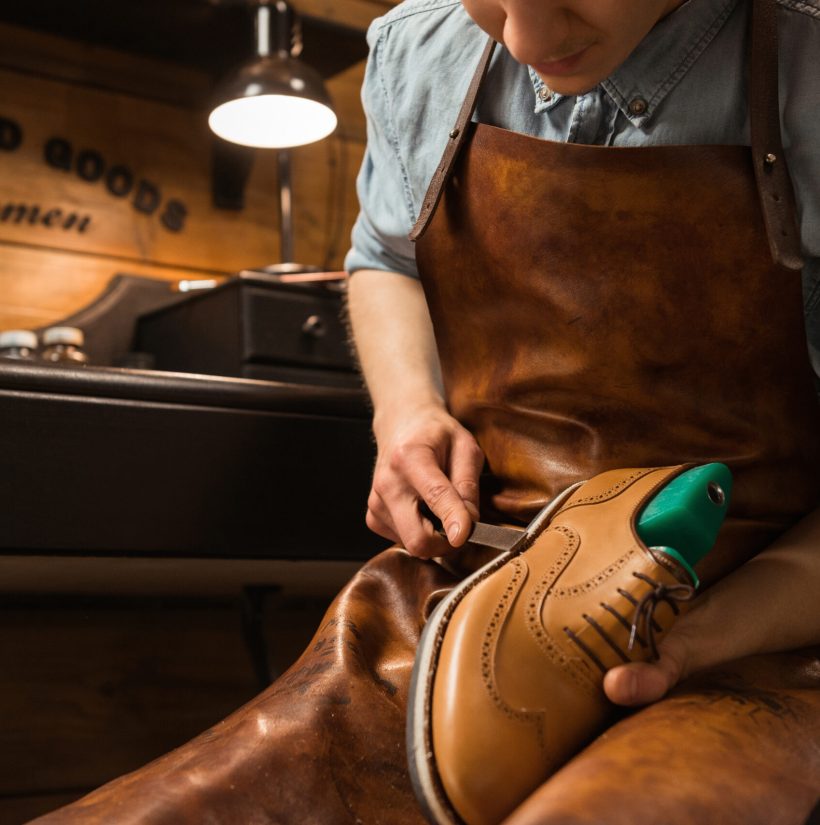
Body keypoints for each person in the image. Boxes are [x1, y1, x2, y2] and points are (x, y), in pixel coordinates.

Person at [33, 1, 820, 823]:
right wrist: (405, 408)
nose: (523, 38)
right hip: (461, 605)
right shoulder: (421, 44)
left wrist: (708, 635)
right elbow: (384, 256)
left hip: (758, 632)